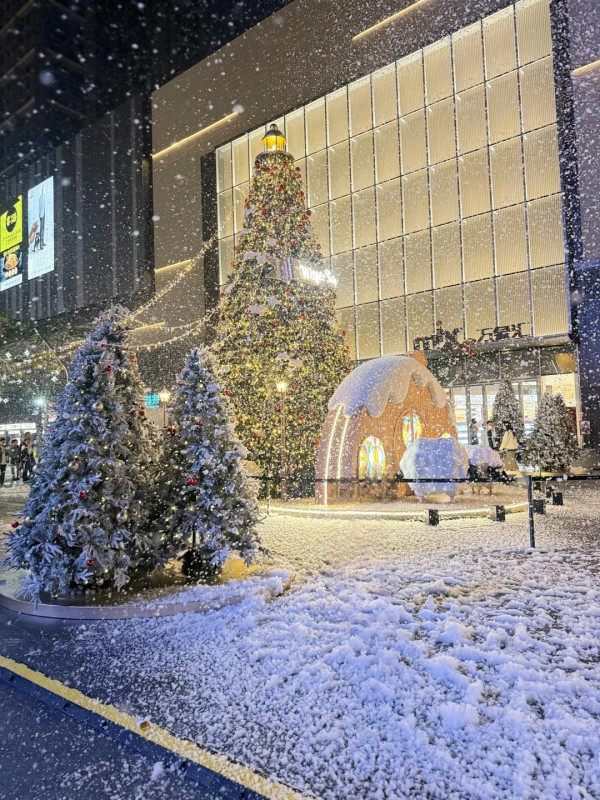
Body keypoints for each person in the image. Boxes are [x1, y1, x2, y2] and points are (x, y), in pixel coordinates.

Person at [39, 183, 46, 250]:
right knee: (41, 229)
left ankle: (42, 241)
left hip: (43, 214)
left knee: (43, 228)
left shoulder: (44, 196)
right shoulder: (41, 197)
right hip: (41, 215)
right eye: (43, 189)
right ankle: (40, 244)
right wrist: (41, 216)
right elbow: (40, 207)